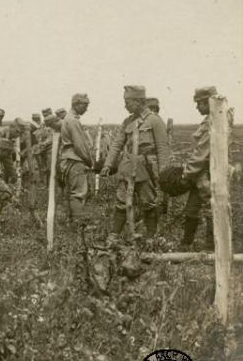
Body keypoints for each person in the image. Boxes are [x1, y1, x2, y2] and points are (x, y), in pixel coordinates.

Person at [101, 85, 170, 242]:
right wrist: (107, 164)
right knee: (121, 201)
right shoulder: (127, 122)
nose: (125, 105)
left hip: (146, 169)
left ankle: (150, 237)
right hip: (127, 167)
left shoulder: (155, 121)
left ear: (139, 101)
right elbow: (117, 145)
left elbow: (162, 148)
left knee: (148, 202)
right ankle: (114, 236)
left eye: (128, 101)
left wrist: (164, 173)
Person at [179, 86, 232, 250]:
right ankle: (186, 244)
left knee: (212, 209)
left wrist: (186, 174)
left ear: (208, 103)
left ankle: (212, 247)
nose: (196, 107)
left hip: (208, 173)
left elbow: (201, 152)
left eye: (199, 103)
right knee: (192, 210)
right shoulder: (212, 118)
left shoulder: (215, 121)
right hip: (201, 173)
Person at [59, 94, 95, 225]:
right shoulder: (73, 120)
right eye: (84, 105)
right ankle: (78, 223)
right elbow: (80, 145)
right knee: (78, 192)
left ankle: (71, 220)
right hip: (76, 159)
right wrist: (89, 161)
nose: (86, 109)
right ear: (76, 104)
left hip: (68, 158)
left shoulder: (68, 118)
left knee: (71, 191)